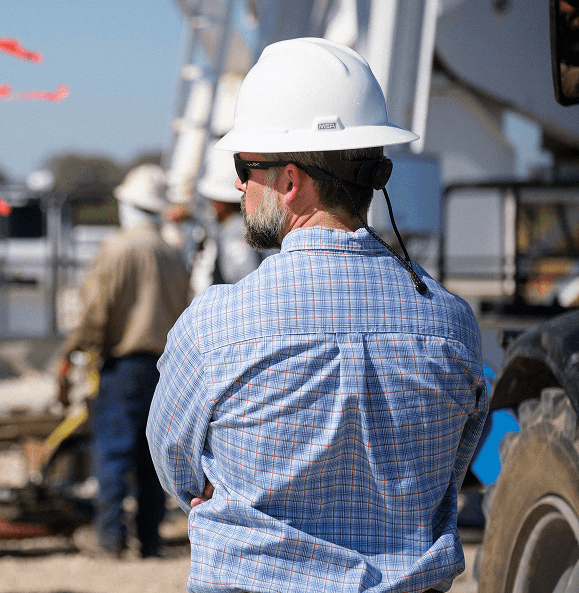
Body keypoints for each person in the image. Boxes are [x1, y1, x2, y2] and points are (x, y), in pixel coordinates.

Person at [147, 38, 488, 592]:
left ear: (290, 182)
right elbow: (454, 464)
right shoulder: (452, 324)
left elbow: (176, 468)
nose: (237, 184)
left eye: (244, 166)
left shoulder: (214, 326)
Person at [57, 163, 191, 559]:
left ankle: (110, 538)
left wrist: (72, 352)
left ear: (129, 204)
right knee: (152, 458)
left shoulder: (118, 248)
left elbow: (95, 312)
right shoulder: (172, 254)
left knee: (114, 452)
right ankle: (148, 540)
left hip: (124, 366)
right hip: (166, 368)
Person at [199, 186, 261, 285]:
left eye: (213, 202)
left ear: (221, 204)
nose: (211, 206)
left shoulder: (236, 231)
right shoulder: (227, 226)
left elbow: (243, 274)